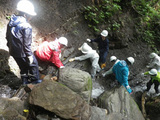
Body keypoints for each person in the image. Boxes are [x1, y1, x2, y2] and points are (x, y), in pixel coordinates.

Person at [6, 0, 41, 85]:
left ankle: (24, 81)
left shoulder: (11, 22)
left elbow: (7, 37)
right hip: (22, 52)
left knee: (22, 67)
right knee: (34, 64)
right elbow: (26, 44)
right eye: (30, 16)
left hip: (13, 51)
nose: (31, 18)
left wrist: (10, 46)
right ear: (25, 15)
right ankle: (35, 81)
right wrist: (29, 55)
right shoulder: (26, 26)